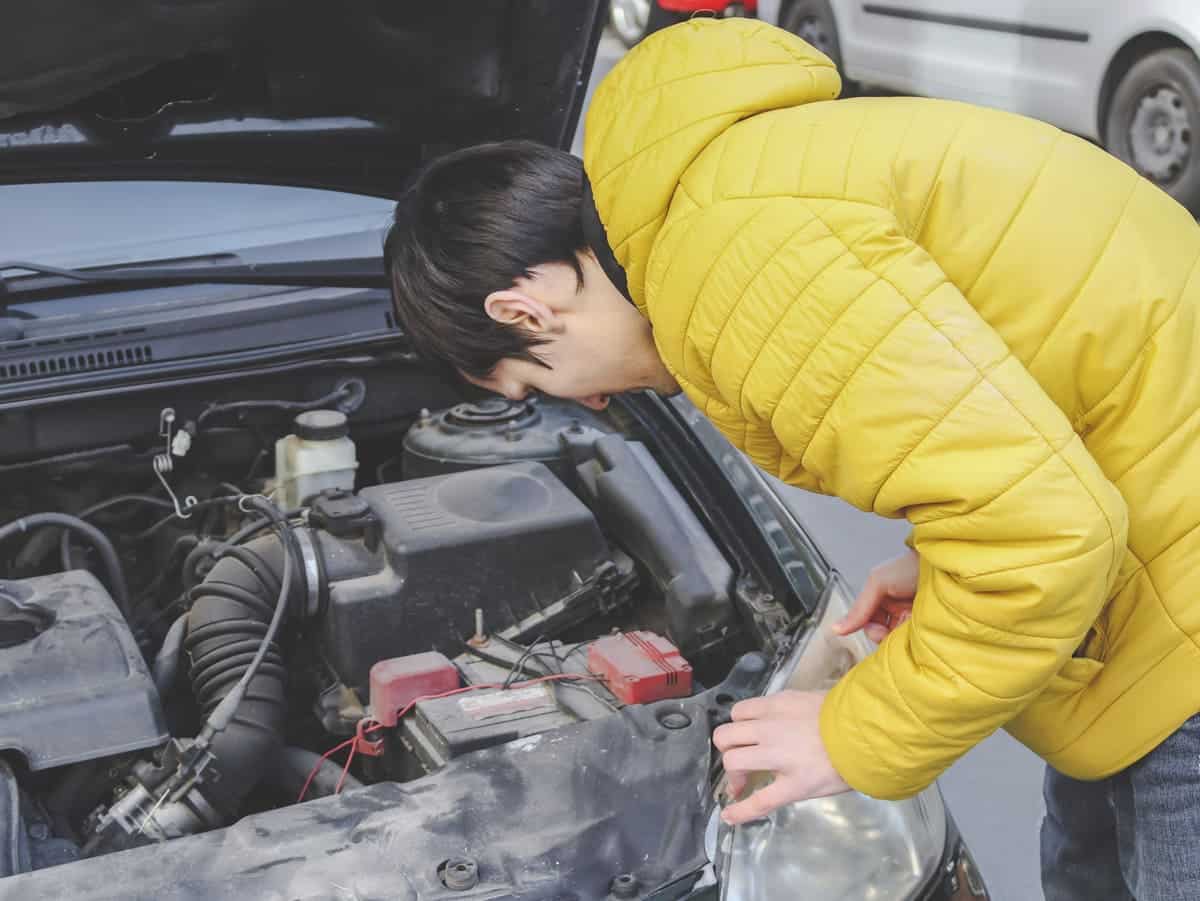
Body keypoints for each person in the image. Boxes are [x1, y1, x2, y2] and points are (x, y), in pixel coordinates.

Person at [384, 17, 1200, 899]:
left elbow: (1042, 535)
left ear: (524, 313)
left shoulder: (730, 264)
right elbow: (1027, 390)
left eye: (531, 385)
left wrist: (854, 735)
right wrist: (944, 557)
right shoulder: (724, 191)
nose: (585, 403)